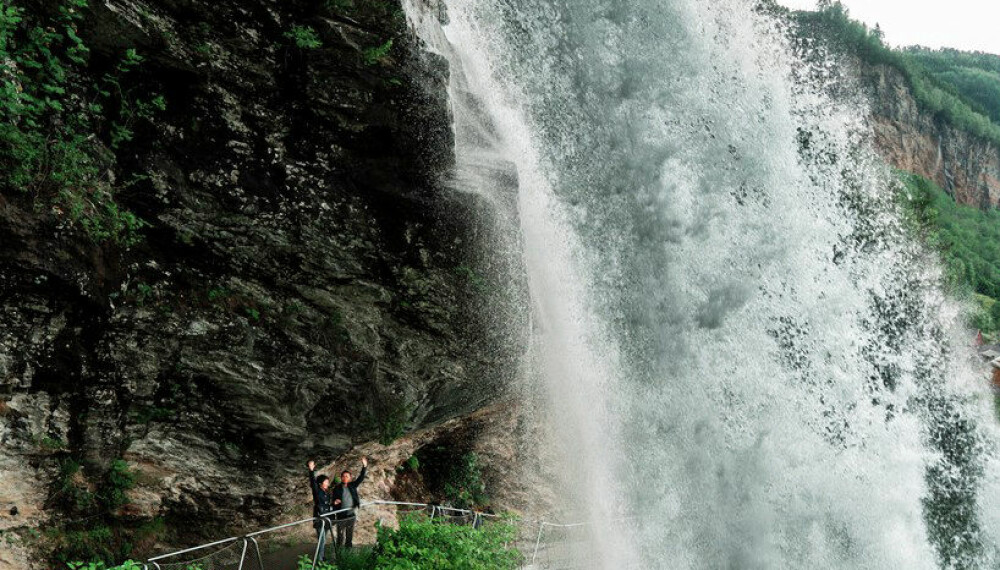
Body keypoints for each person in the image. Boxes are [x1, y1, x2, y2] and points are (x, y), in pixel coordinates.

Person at [331, 456, 368, 548]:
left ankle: (348, 554)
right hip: (341, 515)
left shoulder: (352, 485)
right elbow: (333, 501)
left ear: (350, 478)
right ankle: (339, 554)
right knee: (340, 537)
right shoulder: (337, 488)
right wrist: (335, 502)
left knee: (349, 536)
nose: (344, 478)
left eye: (347, 476)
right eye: (343, 476)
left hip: (351, 515)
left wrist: (364, 466)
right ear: (341, 478)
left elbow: (361, 478)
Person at [307, 460, 334, 562]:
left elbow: (327, 504)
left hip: (327, 517)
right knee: (321, 540)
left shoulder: (326, 493)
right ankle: (319, 560)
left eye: (328, 481)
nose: (328, 483)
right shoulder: (317, 491)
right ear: (321, 483)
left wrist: (334, 503)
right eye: (326, 481)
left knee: (323, 540)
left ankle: (322, 557)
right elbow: (313, 483)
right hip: (319, 518)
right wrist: (311, 470)